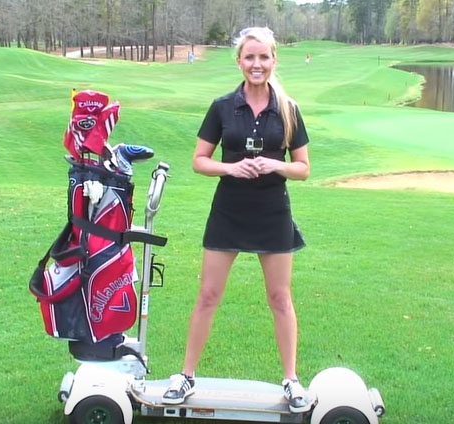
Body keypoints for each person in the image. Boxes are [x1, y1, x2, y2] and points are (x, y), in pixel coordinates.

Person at [162, 26, 311, 413]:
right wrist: (231, 168)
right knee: (208, 295)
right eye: (250, 57)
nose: (256, 64)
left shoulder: (289, 109)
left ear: (274, 60)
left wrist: (274, 164)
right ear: (239, 61)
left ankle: (291, 380)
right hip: (228, 210)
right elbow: (199, 161)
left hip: (272, 211)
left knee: (280, 298)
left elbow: (304, 169)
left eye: (264, 57)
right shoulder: (222, 107)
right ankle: (186, 376)